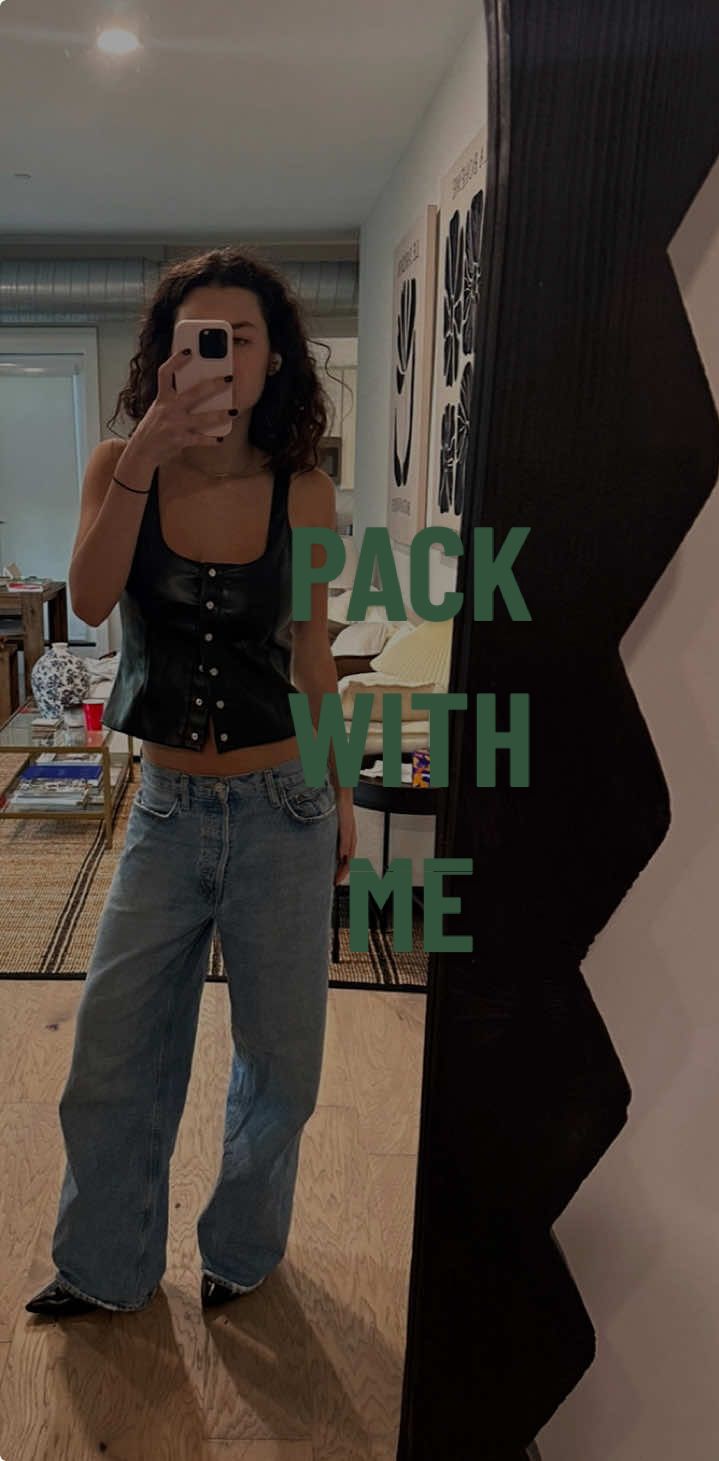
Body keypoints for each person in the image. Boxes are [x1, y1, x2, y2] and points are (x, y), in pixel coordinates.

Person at [25, 246, 357, 1317]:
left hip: (283, 808)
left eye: (240, 338)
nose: (218, 356)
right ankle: (105, 1266)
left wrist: (341, 792)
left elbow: (314, 653)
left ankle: (242, 1253)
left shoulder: (307, 493)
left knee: (281, 1063)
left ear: (273, 359)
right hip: (164, 813)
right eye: (196, 339)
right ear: (165, 356)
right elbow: (86, 602)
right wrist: (145, 453)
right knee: (113, 1053)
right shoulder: (119, 463)